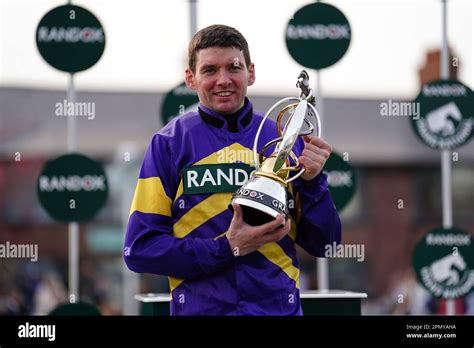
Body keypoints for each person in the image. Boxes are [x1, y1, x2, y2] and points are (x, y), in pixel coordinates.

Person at [124, 24, 341, 315]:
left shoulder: (285, 140)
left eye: (233, 67)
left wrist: (314, 183)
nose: (223, 80)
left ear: (251, 73)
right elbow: (140, 250)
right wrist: (227, 247)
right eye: (210, 70)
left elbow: (325, 245)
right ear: (191, 78)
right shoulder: (168, 144)